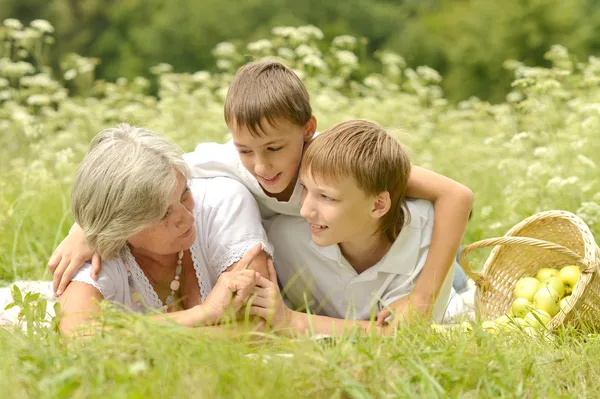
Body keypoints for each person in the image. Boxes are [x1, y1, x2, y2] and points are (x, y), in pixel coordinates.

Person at [49, 59, 473, 321]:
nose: (261, 165)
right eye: (247, 150)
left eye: (275, 148)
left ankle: (454, 290)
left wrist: (420, 299)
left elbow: (457, 196)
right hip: (330, 262)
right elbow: (131, 183)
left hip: (410, 246)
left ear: (308, 130)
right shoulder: (225, 161)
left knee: (448, 295)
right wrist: (85, 230)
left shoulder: (335, 164)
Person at [58, 124, 272, 335]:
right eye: (163, 214)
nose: (186, 217)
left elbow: (260, 325)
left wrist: (133, 338)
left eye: (184, 193)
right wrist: (205, 313)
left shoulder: (222, 202)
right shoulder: (95, 254)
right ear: (121, 229)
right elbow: (81, 337)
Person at [248, 120, 455, 335]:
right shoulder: (285, 239)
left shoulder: (427, 238)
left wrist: (292, 320)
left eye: (327, 197)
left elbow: (400, 334)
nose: (305, 211)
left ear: (377, 205)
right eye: (304, 188)